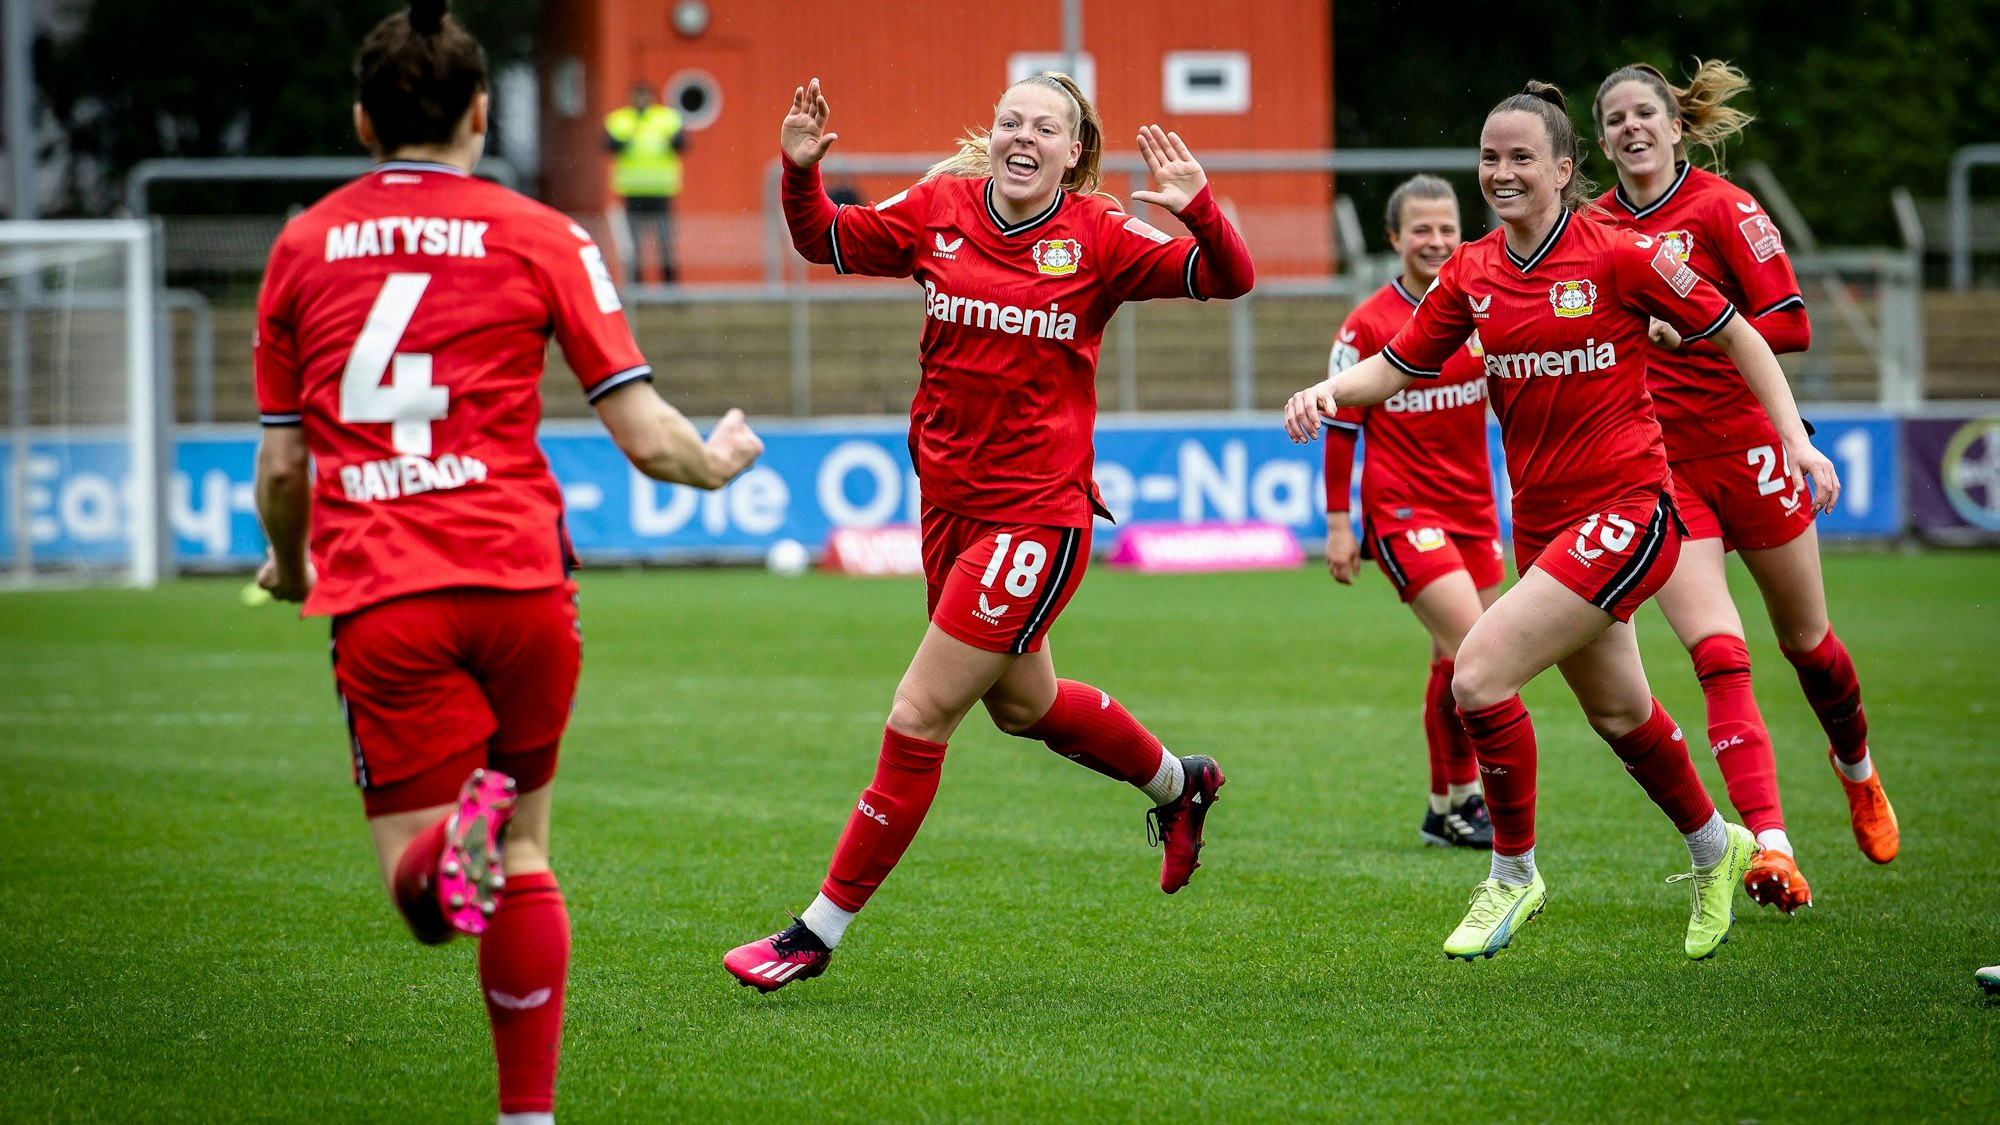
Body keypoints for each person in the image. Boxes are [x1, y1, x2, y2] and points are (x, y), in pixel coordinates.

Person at [252, 3, 763, 1119]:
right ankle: (526, 1114)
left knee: (428, 892)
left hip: (386, 591)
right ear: (482, 113)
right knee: (525, 850)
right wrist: (717, 463)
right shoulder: (543, 234)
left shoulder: (303, 244)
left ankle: (452, 841)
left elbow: (284, 470)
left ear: (362, 120)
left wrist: (290, 568)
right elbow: (647, 435)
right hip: (527, 588)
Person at [1284, 81, 1840, 962]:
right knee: (1621, 714)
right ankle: (1717, 846)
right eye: (1489, 158)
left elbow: (1740, 332)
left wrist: (1795, 441)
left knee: (1477, 676)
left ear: (1564, 168)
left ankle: (1512, 873)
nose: (1501, 172)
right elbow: (1397, 365)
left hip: (1630, 510)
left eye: (1521, 158)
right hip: (1542, 527)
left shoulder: (1621, 254)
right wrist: (1327, 391)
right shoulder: (1472, 271)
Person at [724, 74, 1254, 992]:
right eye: (1011, 121)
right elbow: (825, 240)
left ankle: (814, 933)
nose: (1022, 137)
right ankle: (1182, 783)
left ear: (1073, 152)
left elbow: (1228, 276)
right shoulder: (940, 207)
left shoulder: (1099, 233)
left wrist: (1200, 209)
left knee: (919, 713)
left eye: (1045, 128)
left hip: (1036, 516)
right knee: (1024, 708)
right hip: (948, 509)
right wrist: (799, 171)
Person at [1593, 60, 1898, 915]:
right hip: (1660, 466)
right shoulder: (1594, 228)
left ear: (1675, 126)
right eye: (1615, 119)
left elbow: (1791, 324)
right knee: (1718, 653)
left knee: (1808, 643)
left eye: (1645, 113)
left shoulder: (1726, 209)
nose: (1631, 127)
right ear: (1603, 140)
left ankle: (1857, 770)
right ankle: (1772, 846)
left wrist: (1689, 333)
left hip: (1751, 452)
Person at [1321, 174, 1501, 850]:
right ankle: (1470, 797)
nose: (1436, 240)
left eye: (1447, 228)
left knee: (1457, 663)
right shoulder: (1366, 325)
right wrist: (1339, 524)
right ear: (1394, 237)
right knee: (1479, 649)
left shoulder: (1481, 307)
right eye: (1421, 229)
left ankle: (1443, 807)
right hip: (1402, 511)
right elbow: (1340, 427)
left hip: (1475, 511)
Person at [605, 80, 686, 284]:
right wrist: (626, 141)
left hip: (661, 189)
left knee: (665, 242)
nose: (642, 101)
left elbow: (682, 143)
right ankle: (636, 286)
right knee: (634, 244)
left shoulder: (666, 118)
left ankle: (670, 288)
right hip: (633, 190)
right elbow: (608, 145)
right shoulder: (620, 120)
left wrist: (670, 141)